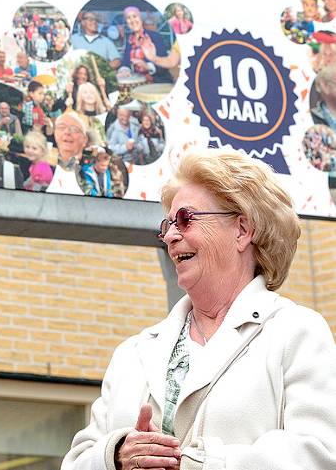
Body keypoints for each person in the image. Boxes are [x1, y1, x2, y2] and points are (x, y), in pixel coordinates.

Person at [62, 149, 336, 470]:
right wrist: (117, 455)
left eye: (185, 219)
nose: (170, 236)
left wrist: (203, 463)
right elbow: (76, 462)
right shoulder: (131, 354)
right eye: (168, 224)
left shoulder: (296, 332)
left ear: (242, 230)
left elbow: (320, 453)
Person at [121, 6, 171, 83]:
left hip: (157, 82)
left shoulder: (155, 37)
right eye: (128, 18)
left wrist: (147, 66)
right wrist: (124, 70)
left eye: (134, 16)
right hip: (137, 83)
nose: (132, 20)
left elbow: (164, 63)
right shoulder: (129, 40)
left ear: (141, 19)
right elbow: (125, 62)